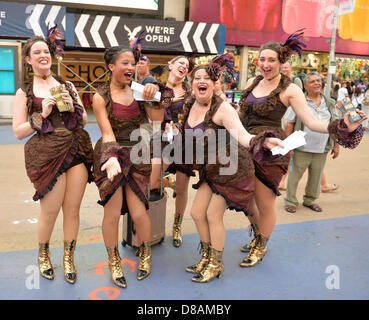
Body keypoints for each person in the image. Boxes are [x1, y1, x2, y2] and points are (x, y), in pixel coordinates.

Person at [237, 30, 366, 268]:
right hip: (246, 147)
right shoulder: (251, 82)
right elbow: (239, 116)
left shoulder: (291, 89)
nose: (265, 64)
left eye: (271, 60)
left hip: (271, 152)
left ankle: (261, 244)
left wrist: (342, 126)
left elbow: (312, 122)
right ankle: (257, 234)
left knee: (264, 202)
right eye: (262, 59)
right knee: (247, 201)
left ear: (282, 61)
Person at [180, 54, 284, 283]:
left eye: (207, 77)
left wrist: (263, 141)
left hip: (232, 169)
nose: (201, 80)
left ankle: (216, 264)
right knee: (197, 213)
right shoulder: (190, 105)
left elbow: (244, 136)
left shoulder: (223, 109)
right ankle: (207, 256)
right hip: (211, 170)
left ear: (215, 83)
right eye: (197, 77)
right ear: (192, 83)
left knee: (212, 214)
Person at [12, 27, 94, 284]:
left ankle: (68, 258)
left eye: (45, 51)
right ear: (28, 60)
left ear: (51, 54)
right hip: (48, 155)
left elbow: (82, 121)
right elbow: (18, 131)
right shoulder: (24, 92)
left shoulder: (66, 83)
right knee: (50, 211)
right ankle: (44, 253)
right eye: (36, 52)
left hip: (75, 149)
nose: (42, 55)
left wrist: (75, 106)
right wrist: (43, 115)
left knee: (73, 210)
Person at [92, 37, 159, 288]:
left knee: (140, 212)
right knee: (112, 213)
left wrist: (153, 99)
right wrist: (110, 158)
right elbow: (106, 132)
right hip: (112, 155)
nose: (131, 67)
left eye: (133, 62)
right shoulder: (100, 97)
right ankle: (114, 260)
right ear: (111, 66)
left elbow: (157, 120)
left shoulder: (142, 91)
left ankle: (146, 253)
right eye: (125, 62)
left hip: (139, 155)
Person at [149, 55, 194, 248]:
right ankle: (169, 182)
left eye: (187, 65)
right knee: (152, 181)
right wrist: (160, 127)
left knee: (183, 190)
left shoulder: (191, 92)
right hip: (162, 141)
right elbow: (151, 118)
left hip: (184, 143)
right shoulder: (157, 88)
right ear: (171, 65)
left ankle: (177, 226)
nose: (184, 66)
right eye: (180, 63)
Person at [283, 72, 340, 213]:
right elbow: (289, 124)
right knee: (295, 175)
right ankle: (290, 201)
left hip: (322, 148)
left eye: (319, 81)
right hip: (302, 147)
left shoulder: (329, 103)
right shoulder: (298, 101)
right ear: (306, 86)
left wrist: (336, 144)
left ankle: (310, 200)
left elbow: (335, 125)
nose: (317, 83)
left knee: (316, 176)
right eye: (313, 81)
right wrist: (288, 145)